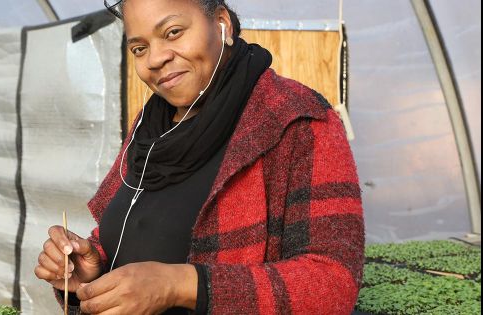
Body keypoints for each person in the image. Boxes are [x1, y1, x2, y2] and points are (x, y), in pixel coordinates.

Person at [34, 0, 365, 314]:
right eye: (140, 48)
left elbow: (333, 283)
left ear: (221, 23)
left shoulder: (295, 121)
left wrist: (180, 285)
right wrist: (90, 274)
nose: (155, 59)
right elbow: (137, 231)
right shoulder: (150, 126)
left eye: (173, 32)